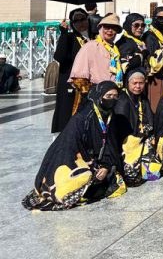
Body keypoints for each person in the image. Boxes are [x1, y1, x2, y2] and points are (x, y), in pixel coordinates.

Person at [22, 81, 126, 210]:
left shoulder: (109, 116)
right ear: (98, 96)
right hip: (74, 160)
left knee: (114, 179)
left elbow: (110, 144)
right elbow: (70, 149)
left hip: (96, 159)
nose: (112, 99)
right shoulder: (83, 118)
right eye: (108, 96)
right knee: (80, 182)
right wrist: (92, 166)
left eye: (115, 96)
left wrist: (105, 165)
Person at [113, 67, 161, 185]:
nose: (138, 86)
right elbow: (121, 131)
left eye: (141, 83)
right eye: (134, 83)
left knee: (153, 173)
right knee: (132, 179)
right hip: (128, 144)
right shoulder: (123, 101)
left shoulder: (142, 98)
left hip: (143, 139)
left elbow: (150, 119)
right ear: (127, 83)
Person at [69, 14, 123, 110]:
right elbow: (78, 77)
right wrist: (93, 93)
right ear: (101, 28)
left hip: (113, 96)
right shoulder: (91, 46)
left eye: (114, 28)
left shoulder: (114, 49)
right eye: (107, 27)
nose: (110, 30)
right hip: (96, 97)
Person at [50, 8, 90, 132]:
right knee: (68, 113)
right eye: (76, 21)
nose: (80, 23)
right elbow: (59, 57)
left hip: (89, 82)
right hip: (71, 82)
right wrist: (63, 34)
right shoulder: (69, 37)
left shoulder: (94, 37)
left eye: (83, 19)